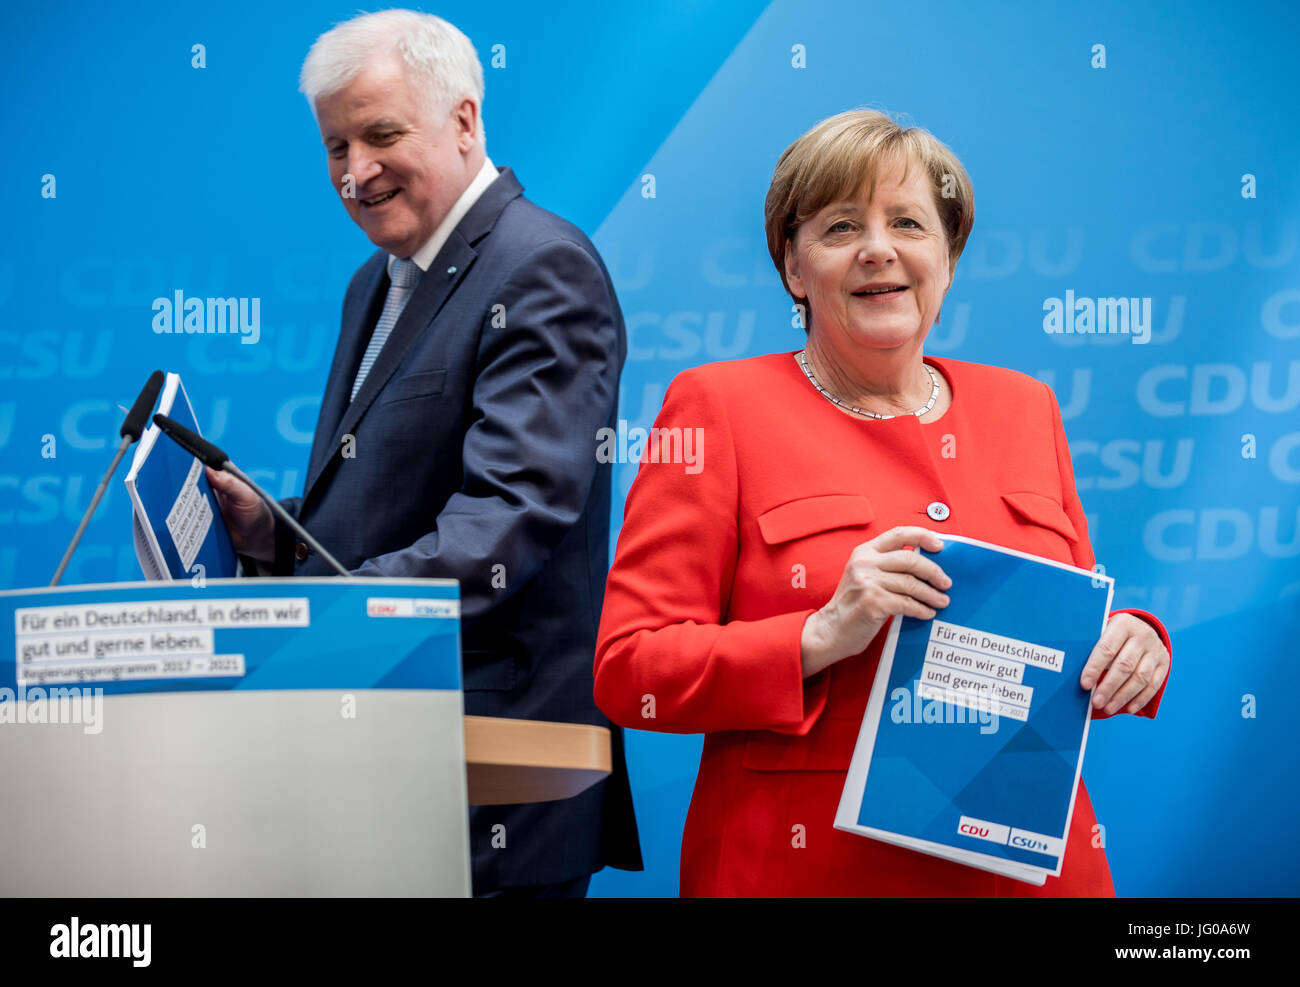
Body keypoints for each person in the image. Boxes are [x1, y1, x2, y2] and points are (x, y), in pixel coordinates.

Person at [592, 109, 1172, 897]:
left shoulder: (1025, 406)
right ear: (794, 269)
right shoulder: (718, 407)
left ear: (948, 259)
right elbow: (632, 670)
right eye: (840, 227)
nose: (879, 249)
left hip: (1026, 872)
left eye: (909, 222)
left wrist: (1127, 644)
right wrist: (818, 632)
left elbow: (1054, 636)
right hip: (806, 872)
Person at [207, 9, 641, 897]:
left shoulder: (541, 268)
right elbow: (393, 501)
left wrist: (308, 628)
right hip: (384, 751)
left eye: (380, 134)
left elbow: (504, 522)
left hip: (490, 773)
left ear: (465, 121)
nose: (354, 173)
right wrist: (277, 534)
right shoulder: (376, 279)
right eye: (335, 146)